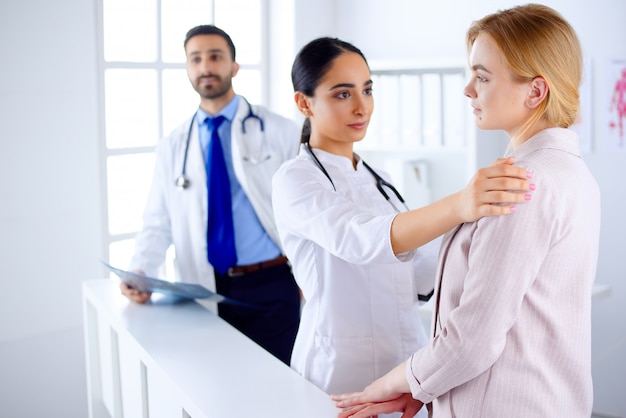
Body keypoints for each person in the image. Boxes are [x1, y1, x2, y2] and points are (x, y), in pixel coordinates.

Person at [332, 4, 601, 418]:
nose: (468, 90)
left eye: (482, 76)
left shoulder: (519, 184)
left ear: (535, 91)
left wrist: (392, 382)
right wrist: (425, 388)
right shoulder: (568, 170)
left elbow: (471, 340)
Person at [271, 36, 535, 415]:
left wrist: (489, 245)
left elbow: (422, 269)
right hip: (337, 371)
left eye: (368, 90)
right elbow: (360, 239)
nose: (362, 106)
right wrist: (461, 204)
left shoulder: (379, 178)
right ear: (304, 102)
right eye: (343, 94)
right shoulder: (294, 179)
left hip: (405, 363)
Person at [121, 24, 301, 366]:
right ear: (188, 69)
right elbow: (158, 221)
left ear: (234, 66)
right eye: (196, 59)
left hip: (272, 285)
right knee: (218, 387)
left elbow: (307, 209)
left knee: (278, 383)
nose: (206, 67)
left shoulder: (278, 131)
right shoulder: (173, 145)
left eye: (215, 56)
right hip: (204, 286)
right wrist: (141, 270)